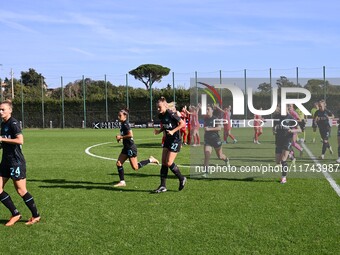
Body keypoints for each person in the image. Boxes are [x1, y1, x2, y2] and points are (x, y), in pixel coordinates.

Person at [0, 100, 41, 226]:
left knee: (21, 190)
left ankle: (35, 215)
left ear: (10, 110)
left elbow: (20, 140)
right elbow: (4, 143)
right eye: (0, 109)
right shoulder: (3, 124)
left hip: (16, 162)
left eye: (3, 109)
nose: (0, 111)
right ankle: (15, 213)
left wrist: (2, 139)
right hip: (5, 161)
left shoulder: (13, 123)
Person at [114, 108, 159, 187]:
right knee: (119, 163)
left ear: (125, 116)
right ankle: (122, 182)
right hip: (126, 147)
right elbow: (125, 136)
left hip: (131, 148)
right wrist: (120, 138)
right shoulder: (122, 124)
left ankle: (150, 160)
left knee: (135, 167)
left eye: (120, 115)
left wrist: (121, 137)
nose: (118, 117)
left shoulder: (126, 124)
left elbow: (131, 135)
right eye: (118, 115)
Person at [153, 97, 187, 193]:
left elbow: (182, 123)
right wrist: (159, 131)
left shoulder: (171, 114)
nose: (158, 109)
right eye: (157, 107)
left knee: (168, 162)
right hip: (168, 140)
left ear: (165, 106)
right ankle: (163, 186)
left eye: (159, 107)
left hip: (175, 140)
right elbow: (165, 126)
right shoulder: (161, 115)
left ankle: (182, 178)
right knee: (163, 162)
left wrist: (173, 131)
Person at [273, 105, 301, 184]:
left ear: (286, 109)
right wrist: (274, 131)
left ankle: (283, 178)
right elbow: (274, 127)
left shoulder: (291, 118)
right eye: (281, 108)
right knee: (277, 161)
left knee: (283, 160)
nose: (282, 110)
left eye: (283, 108)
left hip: (287, 139)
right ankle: (290, 155)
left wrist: (292, 131)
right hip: (278, 140)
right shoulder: (276, 117)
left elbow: (299, 129)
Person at [203, 105, 229, 176]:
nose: (207, 111)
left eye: (208, 109)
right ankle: (206, 172)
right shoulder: (205, 118)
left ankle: (226, 160)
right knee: (207, 155)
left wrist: (209, 129)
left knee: (220, 156)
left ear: (212, 111)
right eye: (206, 109)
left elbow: (219, 128)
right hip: (207, 140)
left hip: (216, 139)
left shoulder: (215, 119)